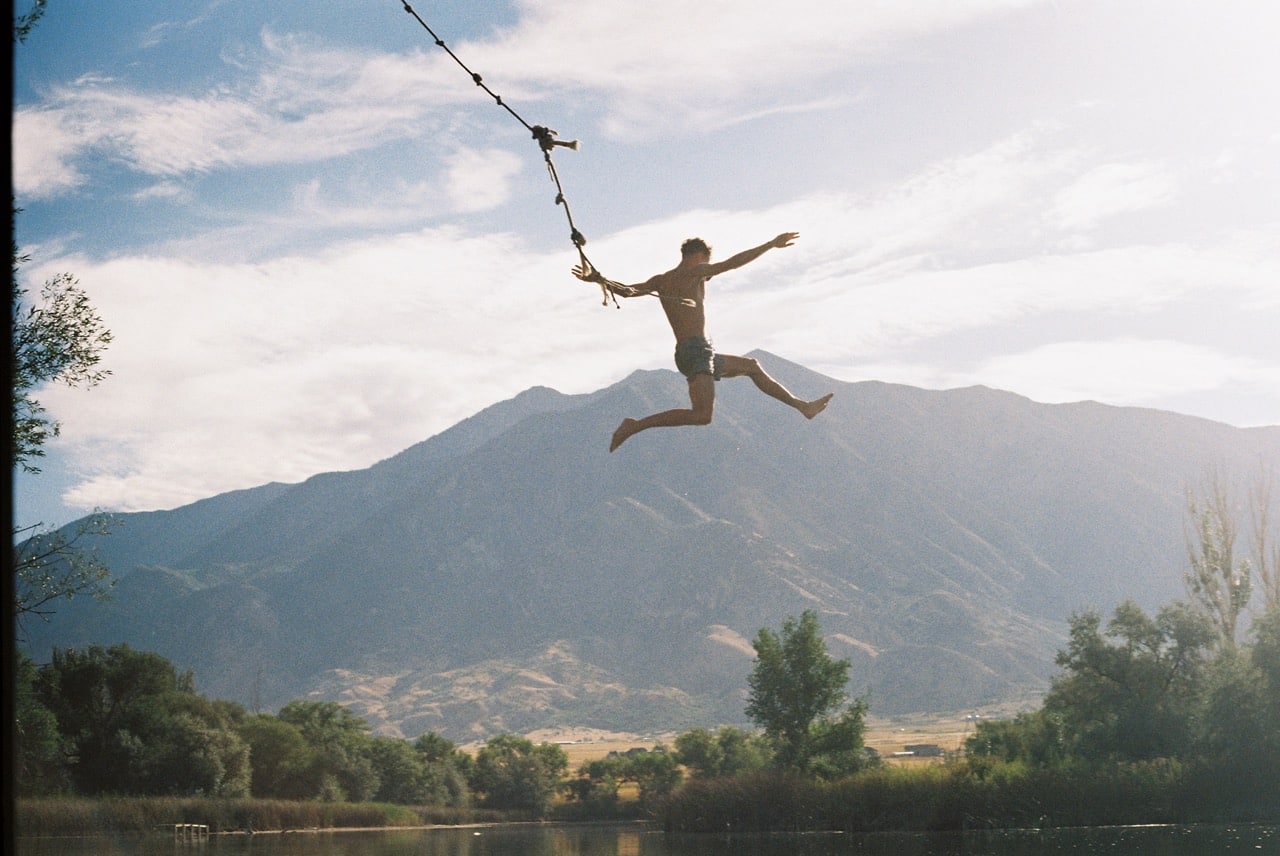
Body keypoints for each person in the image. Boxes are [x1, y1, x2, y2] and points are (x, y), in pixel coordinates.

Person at [573, 232, 834, 452]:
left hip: (695, 352)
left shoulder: (662, 280)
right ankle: (635, 425)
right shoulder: (695, 272)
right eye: (708, 264)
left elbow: (628, 291)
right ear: (700, 257)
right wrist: (770, 245)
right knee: (701, 415)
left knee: (752, 366)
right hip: (696, 352)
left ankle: (803, 406)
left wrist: (599, 279)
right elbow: (734, 263)